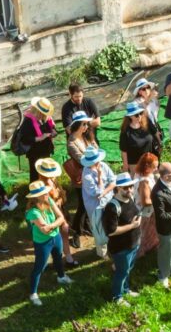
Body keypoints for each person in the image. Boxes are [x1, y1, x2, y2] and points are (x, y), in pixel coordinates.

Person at [25, 180, 74, 306]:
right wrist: (55, 224)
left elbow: (61, 217)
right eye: (44, 193)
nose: (47, 194)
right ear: (36, 197)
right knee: (40, 266)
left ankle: (61, 276)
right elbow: (45, 231)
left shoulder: (49, 200)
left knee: (58, 256)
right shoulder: (33, 212)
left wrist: (52, 225)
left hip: (56, 236)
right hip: (42, 242)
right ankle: (33, 293)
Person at [103, 172, 142, 305]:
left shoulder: (129, 198)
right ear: (117, 188)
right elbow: (111, 231)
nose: (129, 190)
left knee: (127, 270)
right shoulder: (112, 207)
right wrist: (132, 226)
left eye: (131, 186)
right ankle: (117, 297)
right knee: (121, 272)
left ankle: (125, 289)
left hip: (133, 244)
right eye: (125, 188)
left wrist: (138, 218)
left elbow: (135, 212)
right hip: (121, 248)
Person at [35, 158, 79, 267]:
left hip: (59, 210)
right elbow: (45, 203)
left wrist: (60, 200)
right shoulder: (42, 186)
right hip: (51, 214)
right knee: (56, 237)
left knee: (62, 234)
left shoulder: (53, 181)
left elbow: (62, 196)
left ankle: (64, 259)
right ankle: (60, 260)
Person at [80, 146, 117, 258]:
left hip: (108, 200)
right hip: (95, 206)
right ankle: (102, 252)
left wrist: (105, 192)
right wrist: (100, 177)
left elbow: (113, 181)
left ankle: (111, 247)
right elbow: (96, 194)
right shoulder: (86, 175)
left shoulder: (103, 165)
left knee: (110, 223)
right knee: (98, 226)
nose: (97, 163)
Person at [64, 113, 93, 243]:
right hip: (80, 178)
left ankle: (85, 227)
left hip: (91, 174)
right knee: (82, 205)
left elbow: (96, 149)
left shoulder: (86, 137)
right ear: (77, 125)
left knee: (88, 203)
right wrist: (93, 158)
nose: (86, 127)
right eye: (84, 124)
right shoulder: (71, 142)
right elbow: (81, 159)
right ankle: (75, 232)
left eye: (87, 124)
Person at [20, 97, 58, 182]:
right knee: (36, 176)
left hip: (46, 151)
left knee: (46, 174)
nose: (43, 115)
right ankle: (36, 193)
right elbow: (25, 139)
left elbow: (53, 129)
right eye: (41, 113)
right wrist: (40, 138)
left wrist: (53, 133)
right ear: (36, 110)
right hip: (35, 154)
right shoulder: (28, 121)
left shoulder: (46, 118)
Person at [119, 101, 161, 170]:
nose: (139, 116)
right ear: (130, 116)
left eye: (141, 113)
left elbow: (155, 132)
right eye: (136, 115)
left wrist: (160, 143)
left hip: (149, 160)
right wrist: (125, 165)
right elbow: (123, 150)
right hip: (135, 164)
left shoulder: (146, 122)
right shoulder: (125, 131)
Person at [134, 153, 160, 256]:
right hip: (145, 213)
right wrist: (160, 200)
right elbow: (145, 201)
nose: (156, 169)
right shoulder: (144, 181)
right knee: (144, 234)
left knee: (150, 231)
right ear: (147, 167)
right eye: (154, 167)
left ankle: (150, 246)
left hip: (148, 211)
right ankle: (139, 253)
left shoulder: (140, 173)